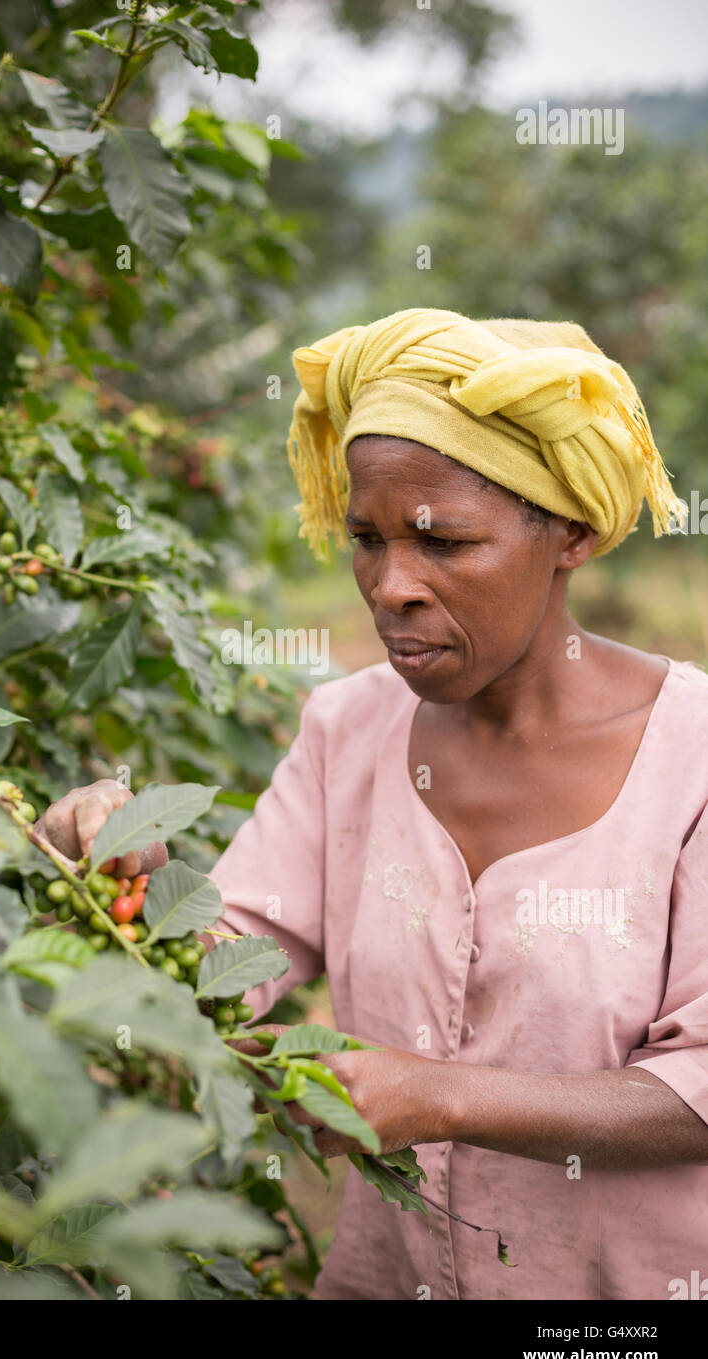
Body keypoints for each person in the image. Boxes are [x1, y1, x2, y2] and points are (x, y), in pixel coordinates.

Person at [36, 308, 708, 1301]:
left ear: (566, 532)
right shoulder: (345, 730)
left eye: (443, 542)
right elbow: (224, 968)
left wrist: (438, 1096)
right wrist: (113, 864)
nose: (390, 586)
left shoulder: (688, 757)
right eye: (365, 539)